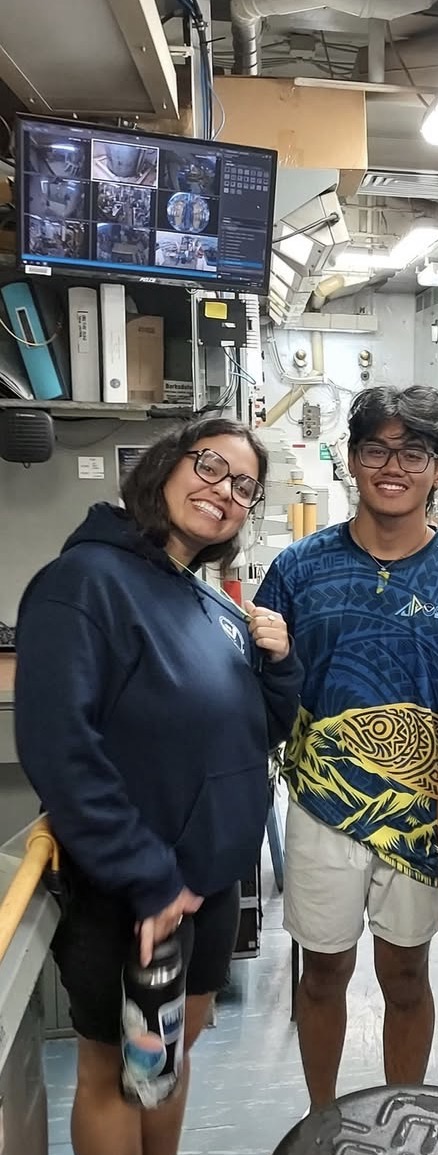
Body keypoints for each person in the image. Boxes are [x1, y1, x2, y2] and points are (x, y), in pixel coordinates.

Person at [14, 416, 303, 1155]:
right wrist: (147, 875)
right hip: (131, 891)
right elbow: (59, 745)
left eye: (243, 485)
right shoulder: (83, 583)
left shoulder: (198, 597)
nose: (225, 491)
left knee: (168, 1059)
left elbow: (252, 731)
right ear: (165, 465)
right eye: (210, 466)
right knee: (113, 1069)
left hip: (201, 887)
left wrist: (279, 664)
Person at [255, 385, 438, 1109]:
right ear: (351, 462)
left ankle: (399, 1114)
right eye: (375, 449)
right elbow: (266, 688)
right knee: (323, 973)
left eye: (413, 452)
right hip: (319, 808)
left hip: (420, 817)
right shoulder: (299, 570)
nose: (392, 466)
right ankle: (323, 1117)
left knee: (405, 975)